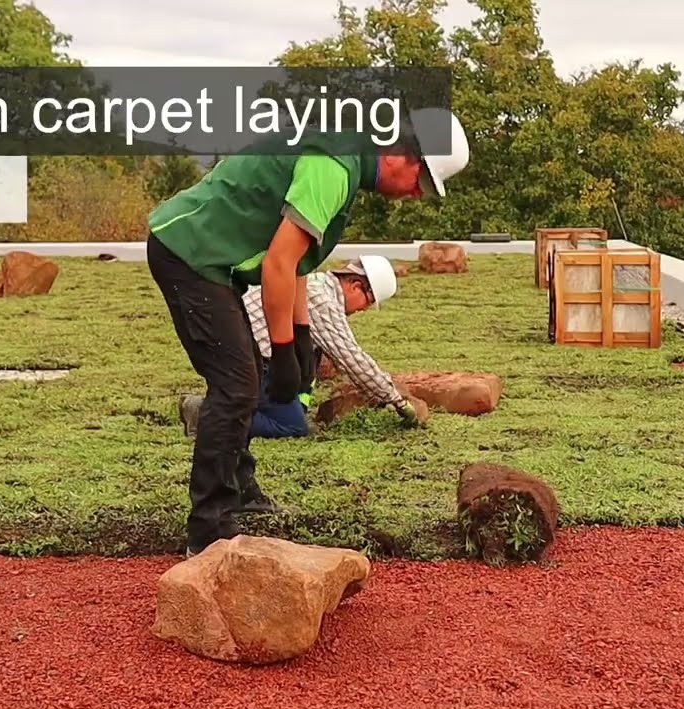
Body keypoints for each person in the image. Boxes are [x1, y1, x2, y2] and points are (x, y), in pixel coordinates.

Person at [144, 108, 470, 557]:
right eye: (422, 181)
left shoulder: (344, 161)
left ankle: (240, 490)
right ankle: (209, 528)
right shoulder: (332, 165)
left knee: (243, 381)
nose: (416, 195)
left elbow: (297, 263)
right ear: (400, 153)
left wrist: (298, 335)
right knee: (237, 386)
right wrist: (281, 351)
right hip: (188, 253)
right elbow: (278, 263)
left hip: (210, 262)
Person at [177, 254, 418, 440]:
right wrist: (397, 400)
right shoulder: (322, 300)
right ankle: (204, 414)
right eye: (368, 301)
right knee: (290, 426)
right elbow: (352, 359)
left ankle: (236, 405)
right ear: (355, 285)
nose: (363, 309)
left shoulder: (316, 283)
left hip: (241, 351)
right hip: (247, 359)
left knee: (309, 359)